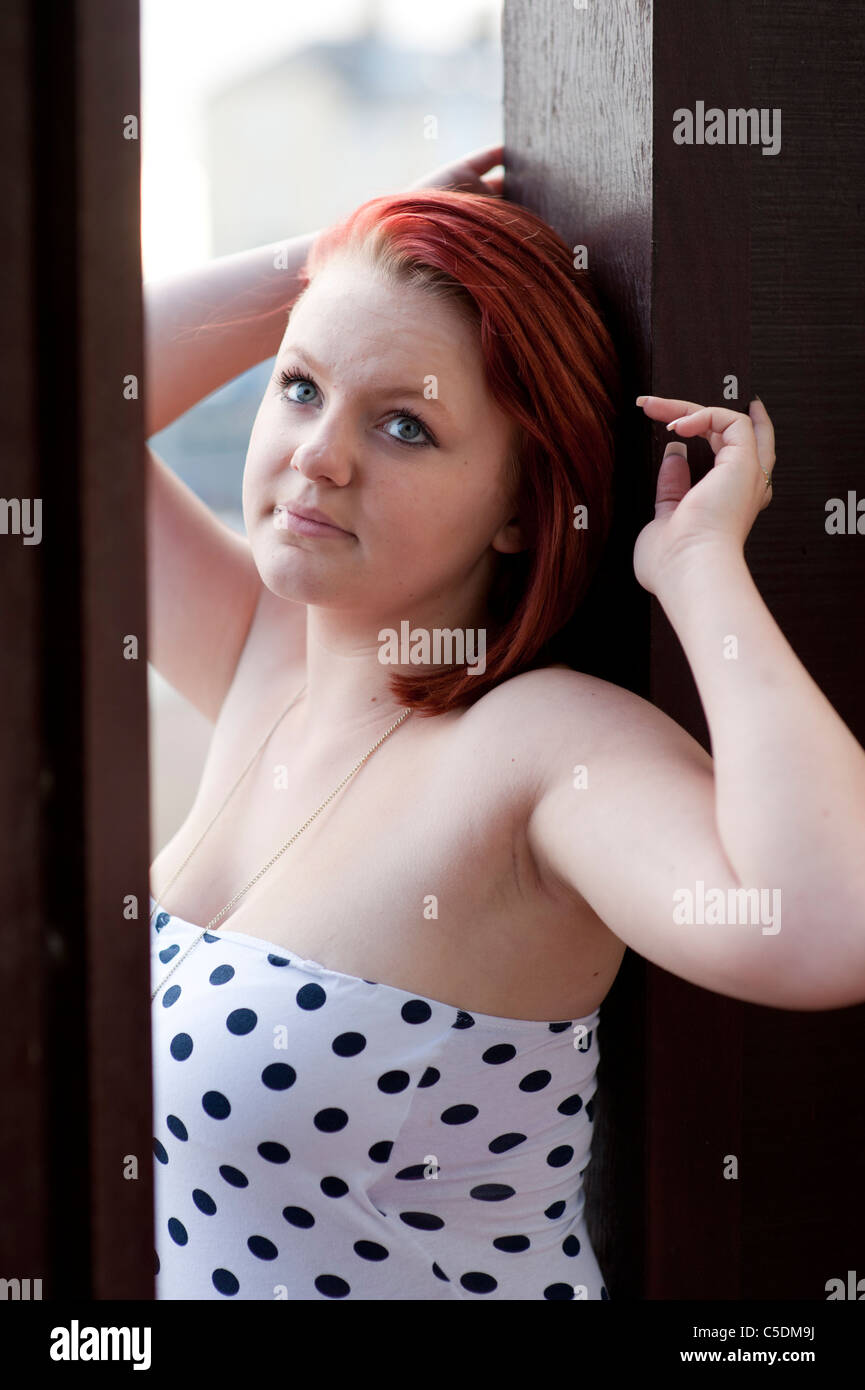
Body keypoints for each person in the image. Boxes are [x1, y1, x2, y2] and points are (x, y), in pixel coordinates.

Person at [146, 145, 865, 1301]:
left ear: (522, 513)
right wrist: (336, 259)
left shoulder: (536, 751)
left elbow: (830, 925)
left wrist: (697, 575)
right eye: (300, 386)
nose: (317, 455)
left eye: (405, 428)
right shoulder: (259, 657)